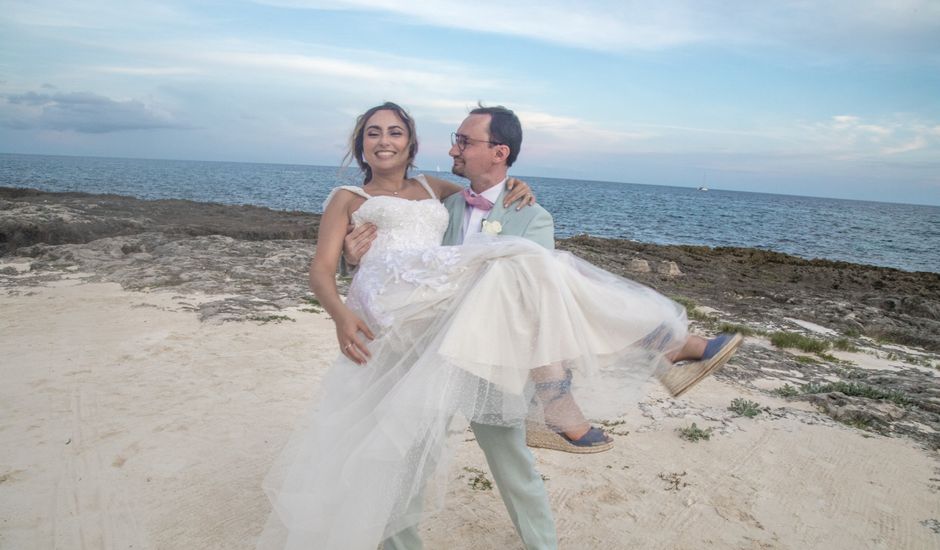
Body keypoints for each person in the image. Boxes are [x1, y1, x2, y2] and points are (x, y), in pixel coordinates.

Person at [261, 102, 742, 550]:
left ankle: (543, 542)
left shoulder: (527, 212)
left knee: (513, 458)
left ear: (498, 152)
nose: (455, 147)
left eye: (464, 141)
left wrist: (519, 189)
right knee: (404, 454)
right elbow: (385, 259)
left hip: (488, 355)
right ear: (361, 142)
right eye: (373, 132)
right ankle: (654, 347)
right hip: (418, 342)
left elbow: (544, 305)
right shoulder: (441, 201)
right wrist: (350, 264)